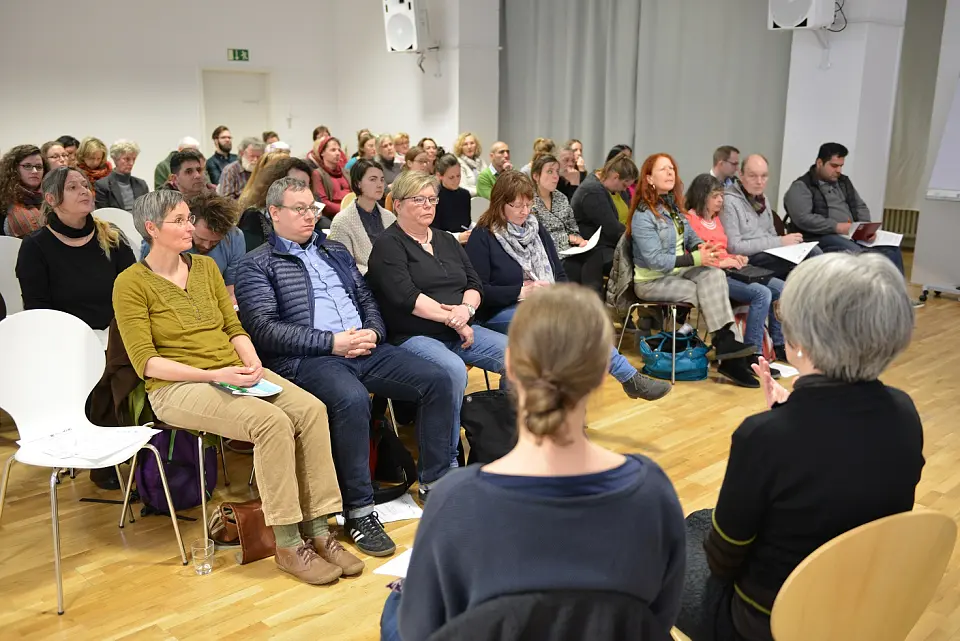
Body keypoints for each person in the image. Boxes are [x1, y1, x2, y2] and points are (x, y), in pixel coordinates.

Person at [379, 284, 686, 641]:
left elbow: (421, 629)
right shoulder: (652, 490)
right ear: (603, 372)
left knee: (398, 603)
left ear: (509, 364)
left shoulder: (457, 499)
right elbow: (657, 618)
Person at [676, 252, 924, 641]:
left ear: (801, 339)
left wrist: (778, 426)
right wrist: (789, 413)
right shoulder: (904, 412)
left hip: (768, 622)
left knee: (667, 543)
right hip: (860, 604)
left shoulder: (765, 436)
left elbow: (723, 561)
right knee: (699, 521)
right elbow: (842, 468)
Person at [115, 189, 356, 585]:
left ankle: (319, 529)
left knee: (312, 410)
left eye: (190, 218)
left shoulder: (206, 268)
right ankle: (288, 543)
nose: (191, 226)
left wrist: (250, 358)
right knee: (271, 423)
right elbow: (147, 363)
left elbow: (232, 327)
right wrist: (215, 375)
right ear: (152, 228)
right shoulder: (131, 283)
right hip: (175, 386)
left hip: (231, 371)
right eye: (180, 220)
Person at [236, 176, 458, 556]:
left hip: (363, 347)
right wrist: (331, 342)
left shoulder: (334, 250)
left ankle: (435, 482)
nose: (310, 216)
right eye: (299, 209)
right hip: (309, 359)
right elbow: (265, 329)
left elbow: (367, 297)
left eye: (312, 208)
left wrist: (373, 330)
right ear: (274, 213)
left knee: (438, 379)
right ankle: (359, 512)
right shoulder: (256, 264)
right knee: (351, 399)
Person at [466, 170, 671, 401]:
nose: (524, 211)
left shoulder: (536, 228)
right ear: (500, 203)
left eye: (528, 205)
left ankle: (624, 379)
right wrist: (522, 292)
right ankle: (616, 383)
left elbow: (559, 274)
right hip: (498, 311)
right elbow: (480, 291)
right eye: (517, 206)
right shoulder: (483, 236)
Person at [367, 171, 509, 503]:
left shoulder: (445, 239)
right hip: (413, 334)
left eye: (432, 199)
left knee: (520, 358)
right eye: (419, 199)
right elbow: (407, 297)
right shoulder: (388, 245)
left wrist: (465, 311)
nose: (428, 205)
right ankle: (439, 474)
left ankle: (504, 449)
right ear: (398, 204)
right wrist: (454, 320)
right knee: (452, 372)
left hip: (460, 325)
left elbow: (474, 284)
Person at [629, 153, 757, 387]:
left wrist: (701, 246)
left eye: (672, 168)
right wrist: (695, 257)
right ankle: (732, 355)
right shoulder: (643, 215)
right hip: (652, 281)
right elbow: (656, 261)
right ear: (649, 178)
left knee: (715, 274)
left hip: (676, 273)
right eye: (663, 169)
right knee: (707, 291)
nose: (670, 172)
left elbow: (690, 236)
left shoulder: (673, 208)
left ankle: (728, 348)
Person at [16, 165, 135, 328]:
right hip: (65, 335)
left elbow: (133, 289)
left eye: (85, 185)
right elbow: (38, 308)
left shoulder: (111, 234)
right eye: (72, 187)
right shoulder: (35, 246)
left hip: (117, 331)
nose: (84, 191)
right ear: (51, 199)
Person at [685, 173, 786, 363]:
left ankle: (778, 345)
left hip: (730, 268)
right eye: (715, 196)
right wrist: (723, 263)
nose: (720, 200)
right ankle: (753, 353)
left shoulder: (716, 219)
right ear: (702, 196)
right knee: (762, 293)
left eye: (721, 195)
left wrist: (735, 257)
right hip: (712, 274)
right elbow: (696, 258)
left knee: (781, 288)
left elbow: (723, 250)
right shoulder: (690, 219)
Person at [783, 142, 906, 275]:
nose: (838, 170)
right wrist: (837, 227)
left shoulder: (843, 182)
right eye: (834, 166)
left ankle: (894, 288)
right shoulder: (801, 186)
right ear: (819, 163)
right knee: (858, 254)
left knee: (891, 250)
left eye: (841, 166)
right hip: (819, 236)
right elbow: (803, 218)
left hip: (850, 234)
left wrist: (865, 228)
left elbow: (860, 206)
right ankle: (867, 287)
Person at [721, 154, 817, 280]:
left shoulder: (763, 198)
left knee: (813, 251)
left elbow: (771, 233)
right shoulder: (729, 201)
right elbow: (734, 247)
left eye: (764, 176)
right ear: (741, 175)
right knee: (808, 257)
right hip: (747, 258)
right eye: (752, 176)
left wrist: (786, 243)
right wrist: (780, 242)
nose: (759, 182)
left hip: (768, 252)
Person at [139, 191, 244, 303]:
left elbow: (230, 288)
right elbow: (146, 285)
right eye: (201, 239)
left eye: (215, 242)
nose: (206, 246)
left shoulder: (234, 237)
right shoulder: (161, 239)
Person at [529, 154, 601, 288]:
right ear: (536, 176)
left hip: (569, 250)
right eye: (550, 172)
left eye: (557, 171)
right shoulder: (529, 201)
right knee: (574, 268)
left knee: (595, 256)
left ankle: (593, 298)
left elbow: (572, 228)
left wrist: (579, 240)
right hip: (548, 253)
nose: (555, 177)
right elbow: (536, 237)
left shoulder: (561, 197)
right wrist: (568, 238)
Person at [569, 152, 636, 295]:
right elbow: (612, 230)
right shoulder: (592, 191)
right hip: (593, 248)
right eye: (624, 185)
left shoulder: (612, 189)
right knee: (634, 265)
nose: (625, 190)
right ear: (615, 177)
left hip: (607, 245)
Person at [238, 156, 324, 252]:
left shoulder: (310, 214)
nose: (301, 191)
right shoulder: (254, 216)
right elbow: (254, 254)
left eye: (304, 185)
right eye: (293, 185)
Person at [328, 159, 396, 274]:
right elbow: (344, 264)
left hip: (396, 276)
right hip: (365, 280)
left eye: (382, 179)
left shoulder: (390, 217)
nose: (380, 184)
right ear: (357, 183)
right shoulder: (341, 222)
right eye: (373, 179)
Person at [0, 145, 45, 237]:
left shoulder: (52, 197)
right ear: (14, 169)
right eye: (27, 166)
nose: (35, 171)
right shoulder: (3, 198)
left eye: (39, 166)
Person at [95, 139, 149, 212]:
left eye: (134, 159)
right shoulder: (103, 186)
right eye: (127, 159)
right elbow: (104, 214)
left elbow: (148, 211)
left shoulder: (141, 184)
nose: (131, 163)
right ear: (115, 159)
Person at [432, 154, 472, 244]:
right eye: (451, 177)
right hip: (442, 244)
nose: (456, 180)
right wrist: (458, 237)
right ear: (439, 176)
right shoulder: (434, 197)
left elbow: (466, 223)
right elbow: (433, 231)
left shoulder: (465, 195)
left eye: (458, 176)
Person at [310, 136, 350, 215]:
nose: (338, 153)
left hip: (350, 210)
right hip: (333, 215)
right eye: (333, 150)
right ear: (322, 153)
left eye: (339, 150)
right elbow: (322, 202)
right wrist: (344, 210)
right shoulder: (317, 174)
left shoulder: (346, 172)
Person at [382, 147, 430, 211]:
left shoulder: (429, 183)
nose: (424, 165)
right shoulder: (400, 186)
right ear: (409, 163)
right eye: (421, 161)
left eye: (426, 162)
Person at [454, 132, 486, 197]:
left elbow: (488, 182)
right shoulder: (457, 163)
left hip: (484, 199)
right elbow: (462, 188)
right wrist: (482, 191)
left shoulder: (481, 161)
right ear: (460, 147)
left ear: (476, 145)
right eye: (465, 144)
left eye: (472, 143)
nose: (469, 147)